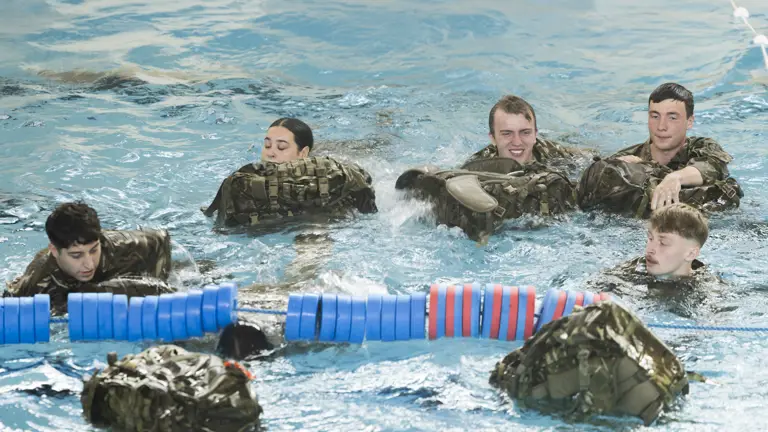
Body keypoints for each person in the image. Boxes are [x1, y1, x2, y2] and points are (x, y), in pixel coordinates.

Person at [577, 83, 742, 216]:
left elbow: (712, 166)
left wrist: (675, 178)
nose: (661, 126)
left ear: (689, 121)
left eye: (672, 117)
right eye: (655, 116)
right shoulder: (626, 161)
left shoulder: (702, 147)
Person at [202, 117, 377, 227]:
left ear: (303, 153)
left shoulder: (325, 184)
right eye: (267, 145)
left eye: (281, 147)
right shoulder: (248, 181)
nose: (270, 153)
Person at [4, 202, 174, 314]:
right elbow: (8, 308)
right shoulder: (39, 279)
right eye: (76, 255)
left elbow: (161, 239)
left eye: (93, 250)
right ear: (54, 251)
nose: (89, 264)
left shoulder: (122, 245)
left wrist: (159, 279)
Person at [586, 203, 730, 318]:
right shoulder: (633, 268)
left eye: (663, 243)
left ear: (691, 253)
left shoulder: (708, 290)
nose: (650, 249)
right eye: (650, 238)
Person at [462, 95, 593, 171]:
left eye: (525, 132)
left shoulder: (553, 154)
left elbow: (590, 157)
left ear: (535, 134)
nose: (517, 142)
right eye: (507, 133)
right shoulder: (477, 167)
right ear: (493, 138)